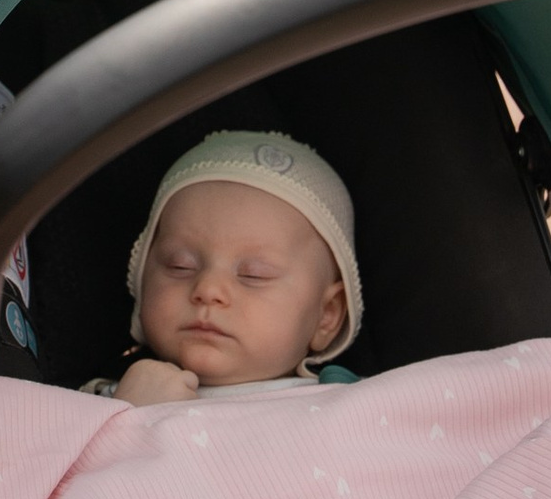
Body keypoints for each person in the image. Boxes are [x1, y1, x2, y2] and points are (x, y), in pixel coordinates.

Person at [102, 131, 361, 401]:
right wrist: (128, 414)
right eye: (180, 266)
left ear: (327, 315)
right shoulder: (97, 408)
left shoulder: (358, 408)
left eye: (253, 275)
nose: (208, 289)